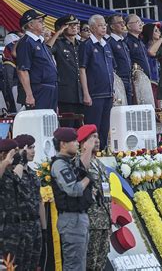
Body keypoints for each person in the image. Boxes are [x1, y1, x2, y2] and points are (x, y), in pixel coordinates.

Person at [50, 127, 94, 271]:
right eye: (74, 141)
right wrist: (88, 178)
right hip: (71, 220)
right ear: (63, 144)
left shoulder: (69, 161)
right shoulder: (59, 164)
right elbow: (73, 189)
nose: (77, 143)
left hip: (78, 217)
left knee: (80, 263)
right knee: (74, 265)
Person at [77, 125, 112, 271]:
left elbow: (107, 192)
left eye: (97, 137)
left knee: (101, 260)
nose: (97, 141)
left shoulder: (100, 164)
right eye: (92, 137)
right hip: (90, 221)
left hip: (104, 219)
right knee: (89, 261)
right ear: (83, 142)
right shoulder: (80, 163)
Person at [79, 15, 115, 150]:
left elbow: (111, 69)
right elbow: (82, 70)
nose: (104, 27)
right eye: (100, 25)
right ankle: (90, 153)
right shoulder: (87, 45)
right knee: (93, 127)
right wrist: (86, 93)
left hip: (108, 93)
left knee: (105, 127)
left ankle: (103, 152)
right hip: (94, 94)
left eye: (105, 24)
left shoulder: (106, 45)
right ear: (93, 28)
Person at [14, 134, 46, 271]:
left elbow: (39, 201)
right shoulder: (12, 172)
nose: (33, 151)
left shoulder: (33, 174)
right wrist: (20, 160)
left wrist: (44, 229)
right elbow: (15, 181)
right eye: (29, 148)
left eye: (34, 147)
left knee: (34, 265)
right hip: (20, 228)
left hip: (35, 227)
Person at [16, 9, 58, 110]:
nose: (43, 24)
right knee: (40, 122)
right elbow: (22, 70)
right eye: (40, 21)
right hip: (39, 89)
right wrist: (29, 95)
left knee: (49, 122)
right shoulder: (26, 42)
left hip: (50, 87)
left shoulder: (39, 41)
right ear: (30, 25)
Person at [47, 14, 84, 127]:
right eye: (70, 25)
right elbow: (46, 49)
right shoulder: (58, 44)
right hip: (66, 94)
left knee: (82, 127)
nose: (74, 27)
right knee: (67, 128)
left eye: (76, 25)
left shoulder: (81, 45)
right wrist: (58, 33)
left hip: (82, 93)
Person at [0, 139, 23, 269]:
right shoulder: (2, 168)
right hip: (2, 230)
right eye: (13, 153)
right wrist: (5, 162)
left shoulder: (8, 172)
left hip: (13, 229)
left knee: (13, 265)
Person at [107, 14, 133, 105]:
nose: (123, 25)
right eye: (119, 23)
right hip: (119, 80)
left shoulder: (123, 42)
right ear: (112, 26)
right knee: (121, 108)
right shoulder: (110, 42)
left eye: (123, 22)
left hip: (129, 79)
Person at [125, 14, 151, 78]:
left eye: (141, 22)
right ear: (129, 26)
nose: (141, 24)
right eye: (137, 22)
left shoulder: (141, 41)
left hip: (145, 79)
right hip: (136, 80)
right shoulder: (127, 42)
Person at [2, 32, 22, 113]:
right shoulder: (8, 64)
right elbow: (9, 88)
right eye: (15, 42)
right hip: (14, 98)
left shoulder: (17, 62)